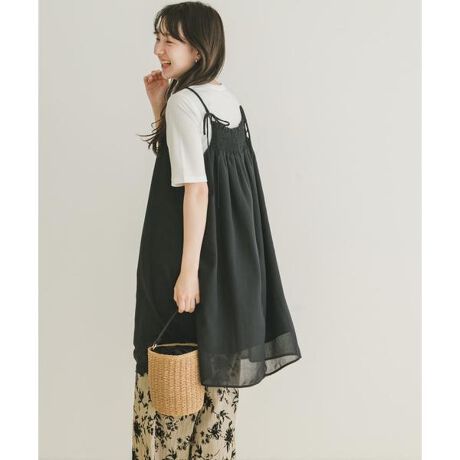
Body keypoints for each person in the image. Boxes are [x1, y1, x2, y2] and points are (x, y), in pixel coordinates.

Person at [132, 2, 302, 459]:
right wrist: (160, 110)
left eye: (169, 40)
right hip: (226, 271)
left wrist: (187, 274)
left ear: (199, 50)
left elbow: (197, 191)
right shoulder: (227, 103)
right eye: (158, 38)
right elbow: (194, 170)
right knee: (214, 399)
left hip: (183, 264)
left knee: (168, 397)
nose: (158, 49)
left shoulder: (187, 103)